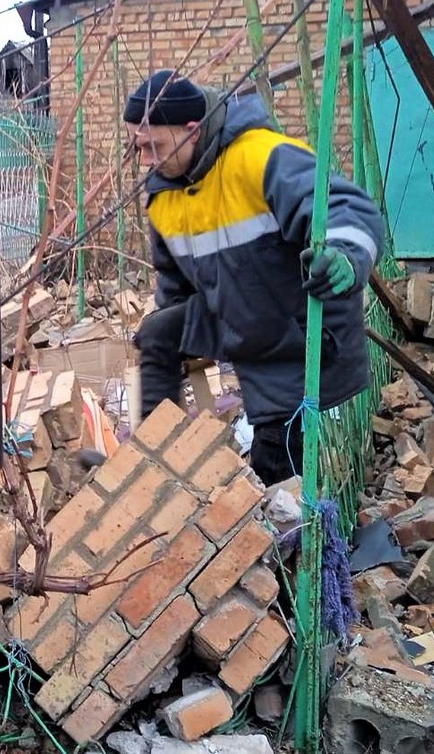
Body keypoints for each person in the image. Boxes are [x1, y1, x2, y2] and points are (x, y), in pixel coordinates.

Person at [124, 70, 384, 486]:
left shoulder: (262, 157)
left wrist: (346, 258)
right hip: (238, 316)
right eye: (139, 148)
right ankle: (153, 464)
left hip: (296, 327)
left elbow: (347, 208)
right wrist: (174, 347)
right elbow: (175, 288)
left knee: (275, 466)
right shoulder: (163, 197)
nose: (146, 161)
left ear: (192, 132)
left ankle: (289, 519)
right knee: (158, 329)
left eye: (155, 147)